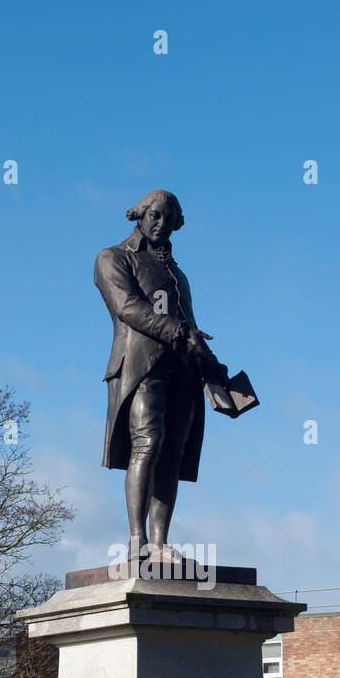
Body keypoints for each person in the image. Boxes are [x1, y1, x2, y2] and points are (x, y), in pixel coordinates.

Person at [94, 189, 235, 554]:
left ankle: (159, 543)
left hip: (183, 370)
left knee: (173, 451)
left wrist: (214, 368)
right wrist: (178, 332)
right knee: (148, 442)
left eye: (168, 219)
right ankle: (137, 541)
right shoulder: (113, 258)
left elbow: (191, 324)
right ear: (139, 214)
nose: (161, 224)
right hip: (141, 366)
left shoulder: (177, 274)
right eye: (154, 215)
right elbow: (128, 307)